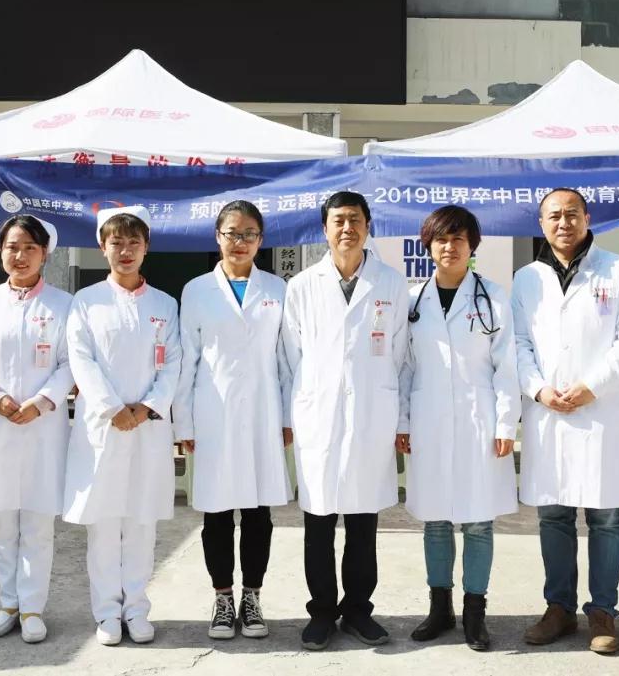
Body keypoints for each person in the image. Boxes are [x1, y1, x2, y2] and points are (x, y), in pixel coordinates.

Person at [512, 188, 619, 655]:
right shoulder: (526, 279)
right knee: (553, 514)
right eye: (554, 215)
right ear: (541, 223)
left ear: (588, 218)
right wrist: (538, 389)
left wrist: (594, 385)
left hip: (604, 410)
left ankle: (603, 610)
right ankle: (559, 607)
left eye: (572, 214)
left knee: (606, 517)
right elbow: (517, 344)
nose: (563, 222)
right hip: (549, 411)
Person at [281, 191, 409, 651]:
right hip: (318, 415)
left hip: (372, 412)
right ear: (325, 229)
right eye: (338, 221)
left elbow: (400, 355)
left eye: (355, 219)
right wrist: (291, 416)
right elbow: (290, 358)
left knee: (362, 520)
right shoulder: (302, 286)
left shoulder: (391, 283)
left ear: (368, 226)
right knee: (318, 521)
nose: (347, 228)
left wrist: (400, 418)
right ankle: (321, 613)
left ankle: (357, 610)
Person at [396, 205, 520, 652]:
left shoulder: (493, 297)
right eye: (441, 239)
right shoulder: (413, 300)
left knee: (479, 522)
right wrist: (403, 421)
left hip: (478, 420)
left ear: (472, 246)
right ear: (428, 246)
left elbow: (507, 366)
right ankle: (440, 608)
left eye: (459, 239)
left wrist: (506, 422)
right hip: (428, 420)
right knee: (435, 521)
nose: (450, 247)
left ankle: (475, 612)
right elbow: (404, 367)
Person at [173, 200, 293, 641]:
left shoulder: (278, 289)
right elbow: (186, 361)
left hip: (263, 413)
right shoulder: (197, 290)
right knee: (218, 513)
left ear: (261, 240)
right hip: (213, 415)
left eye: (248, 234)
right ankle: (223, 598)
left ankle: (252, 597)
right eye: (231, 233)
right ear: (217, 237)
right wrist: (183, 423)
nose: (239, 242)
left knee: (259, 513)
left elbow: (286, 361)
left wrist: (288, 417)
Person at [62, 206, 181, 646]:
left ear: (147, 247)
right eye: (117, 243)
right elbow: (81, 359)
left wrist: (146, 408)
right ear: (102, 247)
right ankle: (107, 612)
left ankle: (137, 608)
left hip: (147, 428)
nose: (126, 251)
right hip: (103, 428)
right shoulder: (86, 301)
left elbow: (174, 362)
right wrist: (113, 408)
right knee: (104, 523)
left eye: (134, 242)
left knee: (142, 522)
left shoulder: (164, 304)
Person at [0, 214, 74, 644]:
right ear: (0, 251)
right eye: (12, 247)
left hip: (43, 427)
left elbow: (71, 362)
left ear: (44, 254)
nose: (19, 255)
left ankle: (33, 607)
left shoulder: (64, 305)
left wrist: (42, 402)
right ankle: (8, 604)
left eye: (29, 248)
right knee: (3, 524)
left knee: (38, 523)